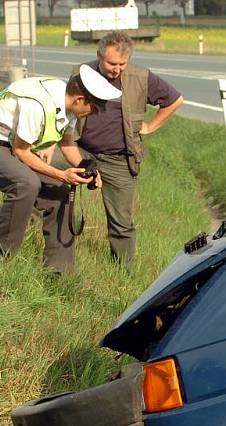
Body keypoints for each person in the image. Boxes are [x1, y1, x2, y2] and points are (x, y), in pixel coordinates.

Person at [0, 65, 121, 272]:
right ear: (80, 100)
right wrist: (62, 174)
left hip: (11, 145)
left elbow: (67, 143)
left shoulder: (69, 104)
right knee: (26, 184)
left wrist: (85, 169)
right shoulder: (38, 105)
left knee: (60, 192)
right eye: (95, 108)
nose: (95, 114)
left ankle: (59, 270)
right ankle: (0, 258)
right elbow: (22, 152)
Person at [77, 31, 184, 269]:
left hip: (119, 158)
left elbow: (175, 100)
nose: (116, 69)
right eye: (111, 63)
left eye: (121, 64)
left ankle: (123, 272)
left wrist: (150, 126)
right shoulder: (81, 73)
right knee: (45, 179)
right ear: (99, 56)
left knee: (121, 221)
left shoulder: (140, 77)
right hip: (80, 151)